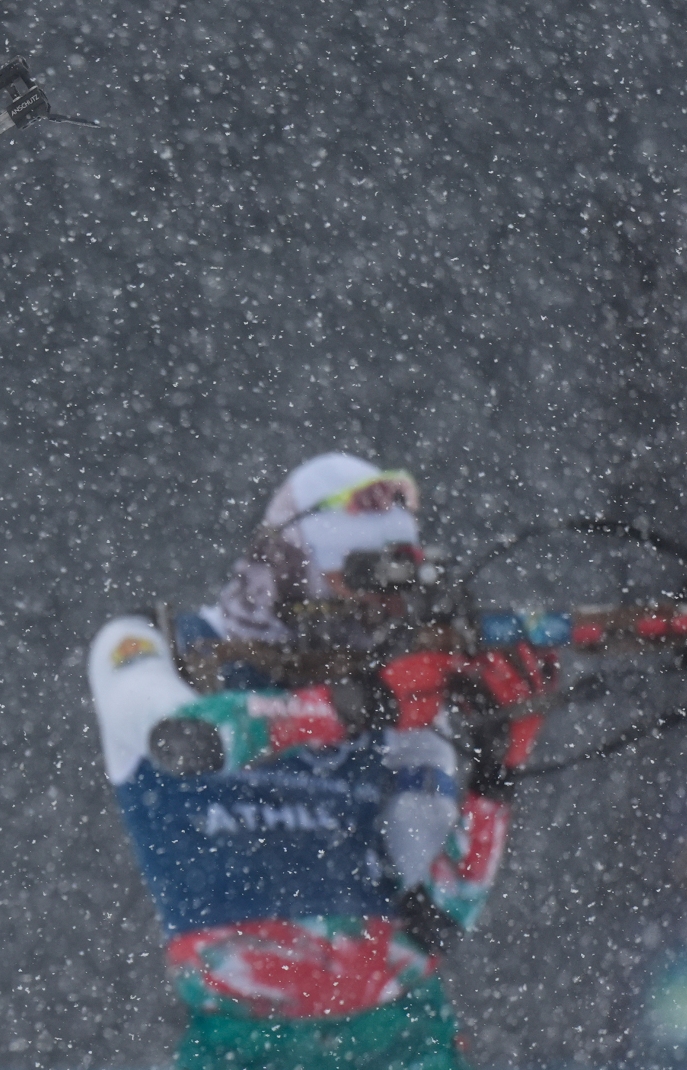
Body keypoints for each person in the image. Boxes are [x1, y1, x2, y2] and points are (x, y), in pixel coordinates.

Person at [88, 453, 555, 1070]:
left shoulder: (393, 681)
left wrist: (497, 765)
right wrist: (356, 705)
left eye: (395, 591)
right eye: (355, 582)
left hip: (402, 1036)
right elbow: (186, 737)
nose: (376, 613)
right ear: (288, 564)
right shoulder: (160, 643)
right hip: (243, 1045)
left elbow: (434, 918)